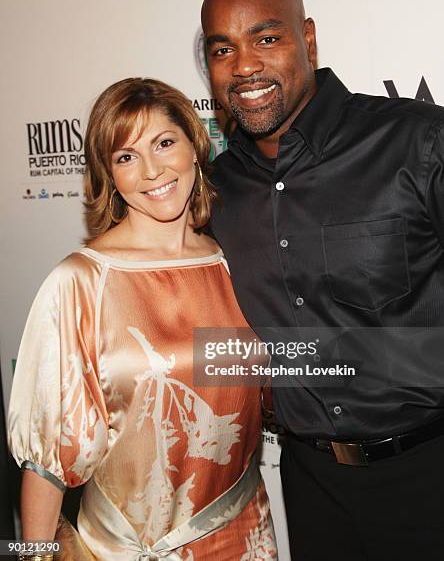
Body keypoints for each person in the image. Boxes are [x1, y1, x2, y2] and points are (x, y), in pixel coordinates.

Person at [201, 0, 444, 561]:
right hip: (309, 486)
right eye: (222, 49)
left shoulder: (417, 144)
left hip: (429, 476)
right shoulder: (211, 191)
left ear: (308, 40)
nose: (245, 67)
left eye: (266, 38)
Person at [8, 78, 277, 560]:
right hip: (120, 549)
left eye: (164, 143)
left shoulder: (232, 260)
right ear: (109, 175)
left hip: (243, 537)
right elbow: (46, 461)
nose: (153, 170)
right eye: (126, 157)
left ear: (195, 146)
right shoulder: (80, 283)